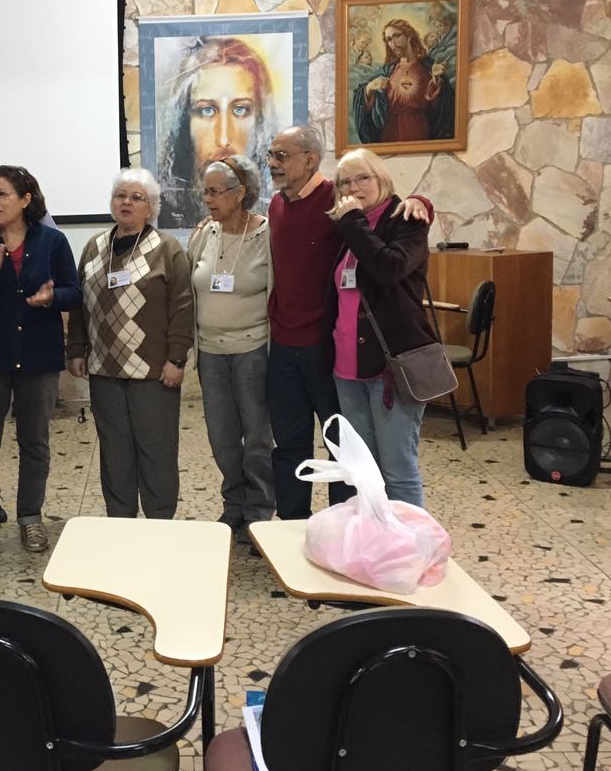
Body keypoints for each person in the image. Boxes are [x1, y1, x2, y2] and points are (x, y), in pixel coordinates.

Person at [266, 125, 431, 519]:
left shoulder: (345, 208)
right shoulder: (287, 207)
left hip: (353, 355)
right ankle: (308, 527)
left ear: (310, 159)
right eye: (270, 155)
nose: (273, 163)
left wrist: (420, 200)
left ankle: (381, 535)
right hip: (320, 355)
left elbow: (389, 257)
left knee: (363, 456)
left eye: (281, 155)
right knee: (309, 450)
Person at [0, 166, 79, 552]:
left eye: (2, 194)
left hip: (38, 356)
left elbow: (74, 291)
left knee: (34, 442)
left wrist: (52, 298)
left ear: (25, 199)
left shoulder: (53, 241)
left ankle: (30, 518)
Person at [67, 168, 193, 520]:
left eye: (137, 198)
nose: (127, 202)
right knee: (114, 452)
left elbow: (183, 306)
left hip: (153, 372)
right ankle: (120, 522)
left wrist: (177, 359)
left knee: (156, 450)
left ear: (151, 207)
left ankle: (159, 522)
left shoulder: (167, 249)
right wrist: (76, 347)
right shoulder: (95, 246)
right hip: (104, 370)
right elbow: (80, 302)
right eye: (121, 196)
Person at [327, 148, 436, 507]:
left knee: (397, 470)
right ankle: (373, 535)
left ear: (381, 179)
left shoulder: (405, 220)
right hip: (347, 369)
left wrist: (354, 221)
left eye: (363, 178)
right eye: (345, 181)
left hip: (390, 368)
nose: (353, 187)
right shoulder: (345, 225)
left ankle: (411, 538)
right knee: (363, 470)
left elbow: (389, 268)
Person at [186, 155, 275, 536]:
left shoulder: (266, 234)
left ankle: (258, 510)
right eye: (204, 192)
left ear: (240, 194)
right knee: (221, 436)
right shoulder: (204, 234)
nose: (207, 199)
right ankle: (233, 504)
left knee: (256, 435)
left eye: (214, 192)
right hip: (210, 352)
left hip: (253, 349)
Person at [155, 36, 279, 229]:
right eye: (206, 110)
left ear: (261, 122)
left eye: (240, 109)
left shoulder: (272, 224)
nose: (224, 139)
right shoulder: (169, 215)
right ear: (183, 124)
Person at [351, 19, 454, 145]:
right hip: (390, 135)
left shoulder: (428, 67)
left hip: (420, 133)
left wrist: (437, 80)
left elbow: (443, 107)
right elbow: (363, 101)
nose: (393, 43)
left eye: (397, 36)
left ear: (409, 36)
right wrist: (369, 89)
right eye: (389, 39)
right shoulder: (387, 71)